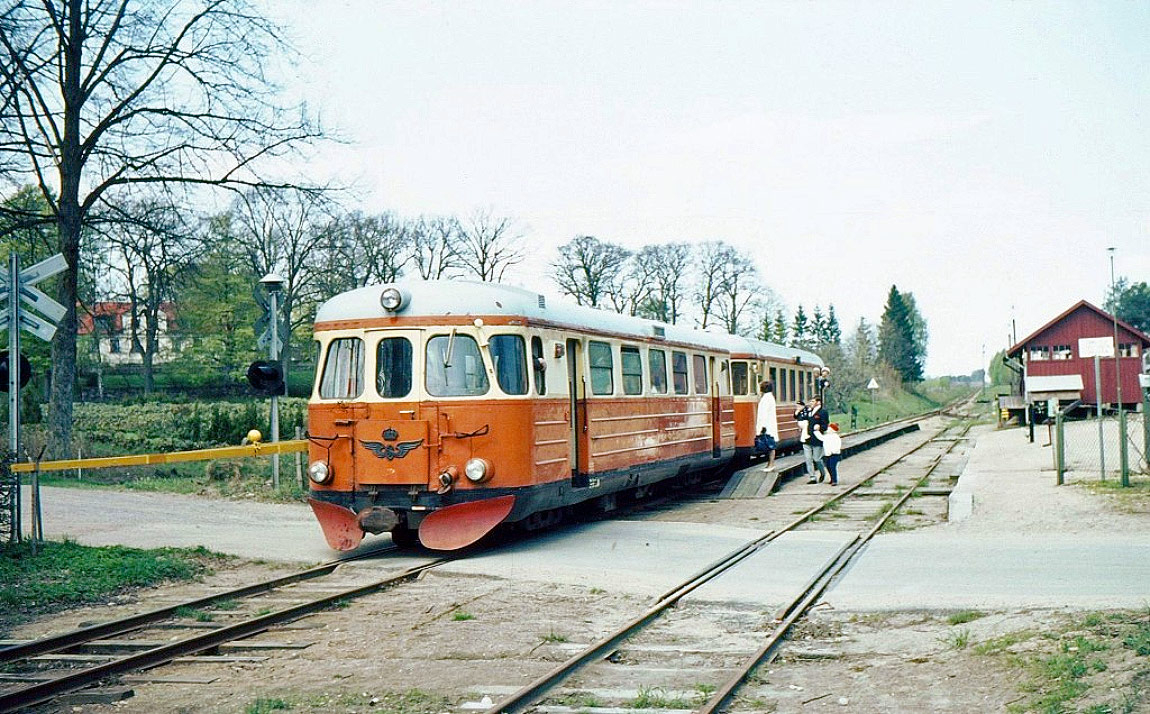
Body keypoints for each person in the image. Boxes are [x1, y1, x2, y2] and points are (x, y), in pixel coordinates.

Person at [755, 380, 778, 471]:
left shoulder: (766, 399)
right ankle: (770, 464)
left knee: (770, 446)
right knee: (769, 445)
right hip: (769, 425)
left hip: (767, 426)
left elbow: (763, 414)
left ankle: (771, 464)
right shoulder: (769, 397)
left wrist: (762, 427)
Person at [807, 395, 830, 483]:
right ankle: (812, 477)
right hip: (807, 438)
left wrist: (820, 427)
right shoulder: (809, 411)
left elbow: (825, 425)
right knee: (808, 459)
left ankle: (822, 472)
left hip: (817, 438)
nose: (810, 403)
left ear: (818, 402)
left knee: (816, 458)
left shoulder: (823, 412)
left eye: (813, 401)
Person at [822, 422, 842, 486]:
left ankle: (834, 480)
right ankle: (832, 478)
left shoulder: (836, 437)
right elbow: (820, 437)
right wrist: (815, 432)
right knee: (828, 466)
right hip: (828, 454)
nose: (828, 429)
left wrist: (833, 451)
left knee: (832, 466)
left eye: (829, 428)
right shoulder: (826, 436)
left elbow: (838, 445)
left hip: (835, 454)